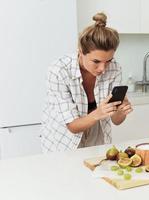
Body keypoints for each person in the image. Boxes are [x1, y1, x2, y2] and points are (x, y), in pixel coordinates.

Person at [41, 12, 133, 153]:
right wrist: (99, 112)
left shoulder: (114, 68)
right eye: (96, 61)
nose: (103, 68)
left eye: (108, 61)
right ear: (80, 52)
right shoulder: (59, 70)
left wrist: (121, 112)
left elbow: (116, 121)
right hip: (64, 141)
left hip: (98, 136)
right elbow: (72, 126)